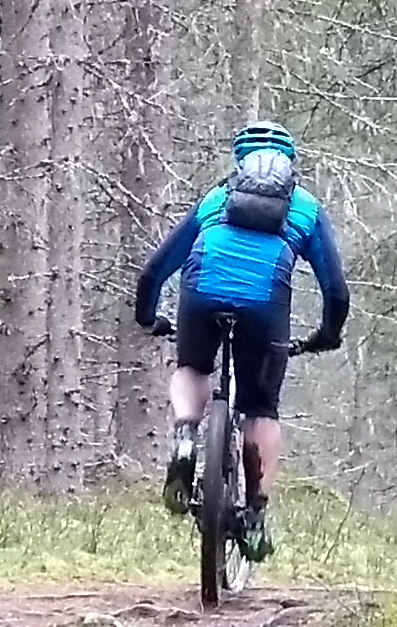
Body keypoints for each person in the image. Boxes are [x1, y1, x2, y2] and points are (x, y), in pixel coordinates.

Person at [132, 122, 348, 560]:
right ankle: (255, 515)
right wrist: (327, 335)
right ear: (291, 161)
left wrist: (148, 317)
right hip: (263, 311)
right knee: (261, 408)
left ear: (238, 159)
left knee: (192, 368)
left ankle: (186, 439)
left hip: (200, 296)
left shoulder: (216, 199)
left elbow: (156, 269)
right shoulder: (304, 207)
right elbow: (337, 290)